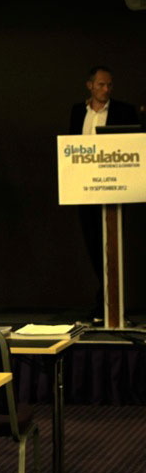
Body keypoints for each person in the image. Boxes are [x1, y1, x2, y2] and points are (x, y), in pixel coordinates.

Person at [69, 66, 138, 323]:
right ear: (90, 85)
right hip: (84, 187)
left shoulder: (123, 111)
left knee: (111, 246)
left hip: (114, 186)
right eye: (101, 85)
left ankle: (111, 304)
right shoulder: (78, 111)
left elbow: (132, 144)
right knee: (93, 244)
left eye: (109, 85)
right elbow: (71, 146)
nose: (106, 89)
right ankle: (104, 299)